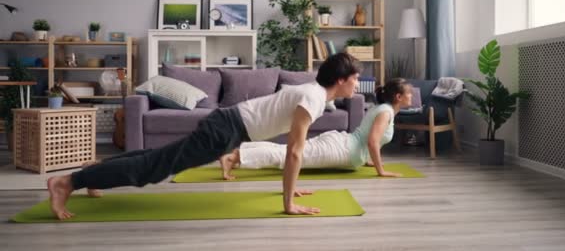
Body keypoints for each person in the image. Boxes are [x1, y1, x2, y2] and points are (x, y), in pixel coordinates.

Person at [46, 52, 362, 220]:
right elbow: (294, 151)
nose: (357, 84)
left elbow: (291, 146)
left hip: (230, 128)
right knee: (154, 169)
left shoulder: (314, 93)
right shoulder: (314, 97)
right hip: (227, 128)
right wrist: (289, 201)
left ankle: (92, 175)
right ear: (343, 79)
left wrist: (293, 189)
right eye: (356, 78)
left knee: (158, 159)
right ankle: (68, 182)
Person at [219, 78, 412, 180]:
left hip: (343, 145)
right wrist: (381, 170)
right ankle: (234, 157)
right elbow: (372, 141)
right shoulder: (385, 112)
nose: (412, 95)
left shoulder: (383, 110)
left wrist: (367, 160)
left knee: (285, 151)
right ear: (398, 97)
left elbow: (368, 140)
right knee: (285, 156)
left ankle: (236, 151)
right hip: (341, 150)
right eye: (408, 93)